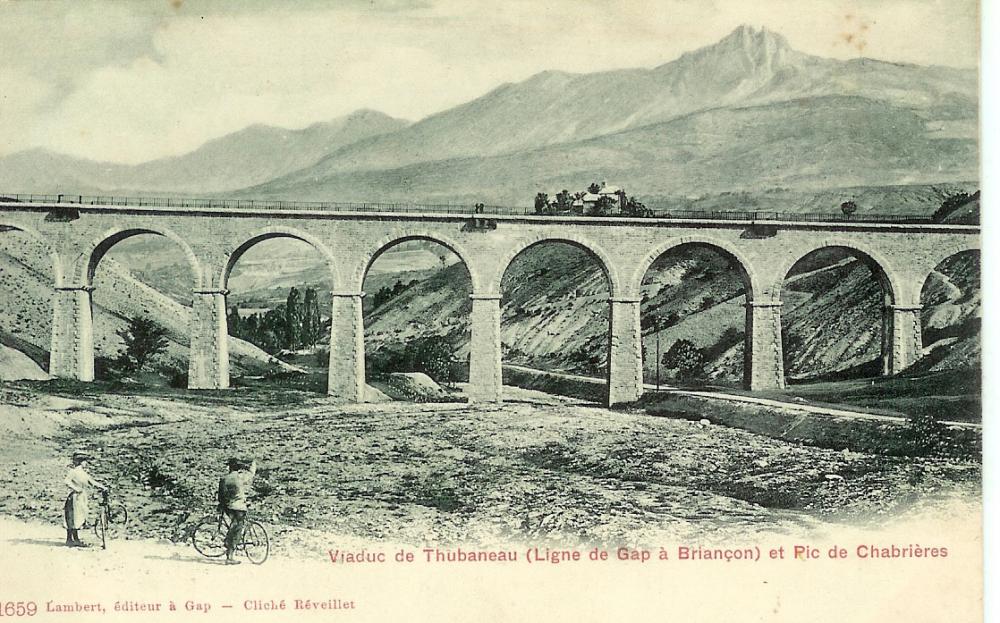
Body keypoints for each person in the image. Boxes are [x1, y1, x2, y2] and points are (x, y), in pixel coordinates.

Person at [217, 457, 257, 565]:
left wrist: (222, 505)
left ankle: (228, 541)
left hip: (227, 506)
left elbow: (220, 496)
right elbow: (251, 474)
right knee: (238, 528)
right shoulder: (241, 477)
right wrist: (253, 463)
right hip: (239, 507)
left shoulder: (224, 479)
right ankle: (229, 554)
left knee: (233, 524)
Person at [63, 451, 107, 547]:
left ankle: (74, 539)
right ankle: (71, 539)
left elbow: (91, 482)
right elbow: (66, 481)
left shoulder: (83, 473)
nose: (85, 463)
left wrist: (102, 487)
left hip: (81, 497)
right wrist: (76, 488)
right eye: (84, 461)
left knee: (79, 516)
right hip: (75, 497)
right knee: (73, 517)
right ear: (80, 462)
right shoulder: (74, 472)